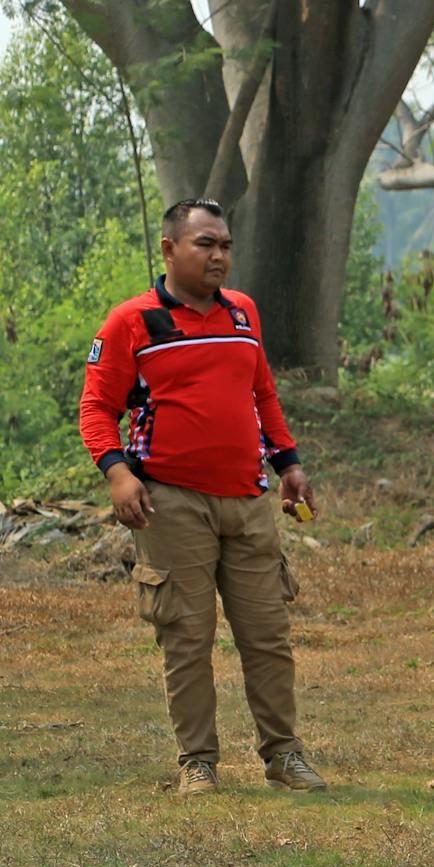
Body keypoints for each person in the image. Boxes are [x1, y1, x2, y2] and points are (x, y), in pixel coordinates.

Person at [78, 198, 327, 797]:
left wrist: (288, 464)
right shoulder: (130, 323)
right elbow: (95, 409)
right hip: (169, 503)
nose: (219, 256)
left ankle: (283, 755)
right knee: (186, 638)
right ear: (169, 249)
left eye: (225, 245)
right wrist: (117, 473)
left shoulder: (242, 313)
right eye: (204, 244)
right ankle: (198, 762)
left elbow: (262, 394)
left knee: (268, 635)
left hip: (247, 499)